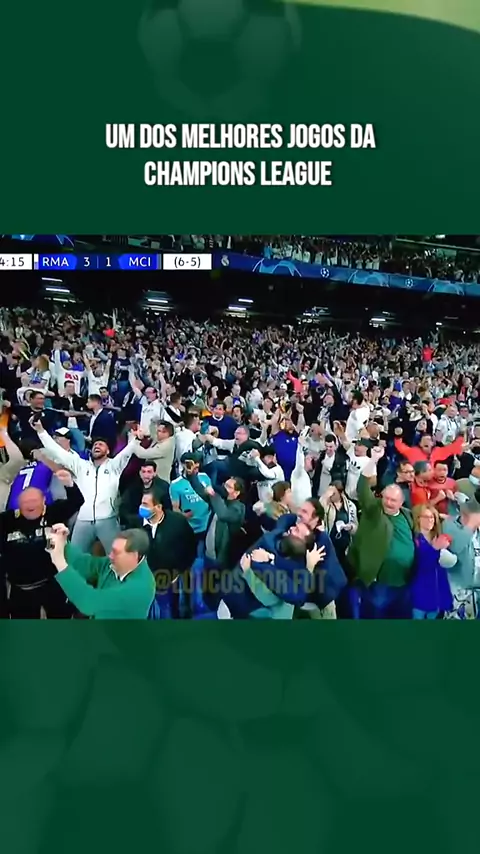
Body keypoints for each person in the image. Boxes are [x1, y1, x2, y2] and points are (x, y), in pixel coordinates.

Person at [33, 420, 138, 553]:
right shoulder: (81, 466)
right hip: (83, 520)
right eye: (95, 445)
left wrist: (135, 439)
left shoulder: (114, 466)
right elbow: (57, 451)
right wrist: (41, 431)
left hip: (108, 520)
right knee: (75, 557)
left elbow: (127, 452)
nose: (97, 446)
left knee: (117, 554)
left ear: (108, 451)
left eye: (101, 444)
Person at [0, 469, 84, 618]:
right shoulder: (8, 520)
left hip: (51, 584)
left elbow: (76, 501)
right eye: (25, 502)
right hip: (21, 590)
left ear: (44, 500)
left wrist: (69, 485)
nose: (30, 506)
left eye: (34, 501)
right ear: (18, 505)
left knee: (60, 621)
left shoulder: (53, 513)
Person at [347, 446, 415, 619]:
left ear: (401, 502)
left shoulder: (408, 516)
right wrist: (373, 460)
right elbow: (363, 488)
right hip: (380, 584)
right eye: (386, 498)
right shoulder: (374, 511)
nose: (389, 503)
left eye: (393, 500)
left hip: (404, 582)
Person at [47, 524, 155, 619]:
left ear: (134, 556)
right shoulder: (112, 565)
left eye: (116, 552)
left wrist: (59, 562)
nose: (110, 556)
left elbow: (89, 602)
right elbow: (84, 563)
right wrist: (63, 542)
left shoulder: (140, 587)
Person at [134, 483, 196, 619]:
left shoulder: (177, 523)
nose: (141, 508)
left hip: (170, 580)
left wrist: (179, 571)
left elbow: (190, 547)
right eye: (142, 503)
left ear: (158, 507)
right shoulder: (136, 524)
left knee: (169, 611)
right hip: (145, 581)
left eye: (145, 504)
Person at [410, 504, 453, 619]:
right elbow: (421, 565)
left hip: (437, 596)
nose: (430, 520)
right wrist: (435, 549)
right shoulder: (414, 540)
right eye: (426, 517)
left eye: (432, 517)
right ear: (418, 519)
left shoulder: (439, 538)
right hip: (419, 594)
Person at [169, 452, 212, 547]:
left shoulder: (204, 477)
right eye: (192, 466)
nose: (195, 470)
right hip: (191, 528)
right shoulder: (176, 485)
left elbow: (212, 498)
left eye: (197, 467)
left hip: (207, 525)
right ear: (184, 465)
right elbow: (175, 508)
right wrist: (183, 515)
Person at [119, 461, 171, 528]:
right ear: (140, 473)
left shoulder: (163, 487)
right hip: (136, 523)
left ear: (154, 473)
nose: (146, 475)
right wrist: (136, 520)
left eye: (149, 472)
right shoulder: (132, 487)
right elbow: (124, 509)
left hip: (158, 523)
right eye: (143, 472)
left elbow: (167, 509)